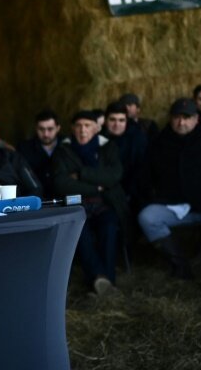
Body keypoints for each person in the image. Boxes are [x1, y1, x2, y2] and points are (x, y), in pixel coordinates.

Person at [137, 98, 201, 278]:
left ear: (196, 119)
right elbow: (145, 178)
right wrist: (157, 197)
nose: (181, 122)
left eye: (187, 117)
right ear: (170, 118)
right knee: (147, 217)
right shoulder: (158, 144)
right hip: (178, 208)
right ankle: (180, 264)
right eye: (177, 117)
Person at [51, 110, 126, 295]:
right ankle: (100, 278)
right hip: (77, 204)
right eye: (78, 125)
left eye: (87, 125)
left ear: (97, 128)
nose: (82, 130)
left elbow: (113, 176)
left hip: (104, 203)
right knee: (79, 232)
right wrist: (96, 187)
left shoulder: (108, 148)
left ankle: (104, 280)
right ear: (72, 128)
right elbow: (61, 183)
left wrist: (81, 175)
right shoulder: (63, 151)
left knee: (108, 228)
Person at [16, 110, 62, 200]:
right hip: (36, 199)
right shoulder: (24, 148)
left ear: (58, 128)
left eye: (50, 129)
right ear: (36, 128)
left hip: (62, 198)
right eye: (41, 129)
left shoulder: (66, 145)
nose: (46, 134)